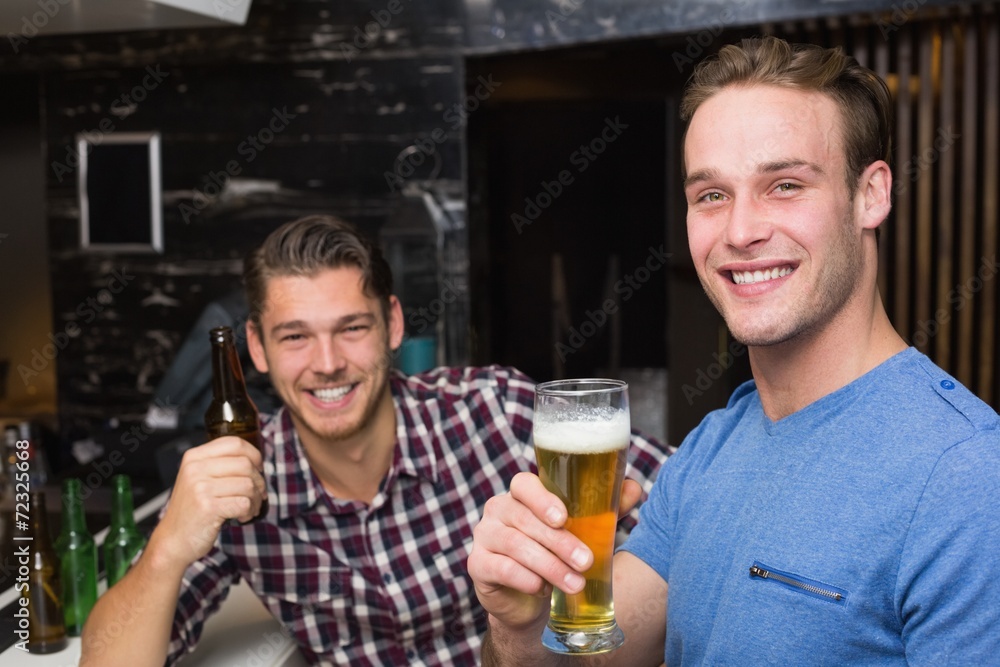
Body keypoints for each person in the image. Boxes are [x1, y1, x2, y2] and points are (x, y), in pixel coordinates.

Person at [467, 36, 1000, 666]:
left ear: (871, 194)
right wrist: (518, 623)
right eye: (711, 195)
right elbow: (589, 660)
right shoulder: (709, 450)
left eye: (785, 185)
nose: (741, 231)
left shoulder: (966, 478)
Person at [78, 215, 671, 666]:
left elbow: (686, 493)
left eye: (352, 328)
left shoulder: (493, 409)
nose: (328, 363)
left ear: (391, 324)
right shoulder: (245, 486)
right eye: (295, 338)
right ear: (256, 348)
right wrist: (167, 547)